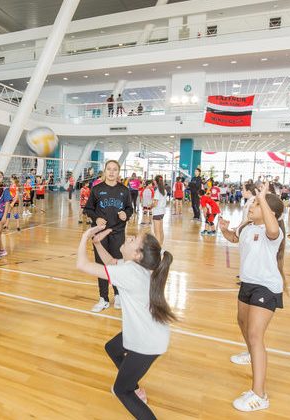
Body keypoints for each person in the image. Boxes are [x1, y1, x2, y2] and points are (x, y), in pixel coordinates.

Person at [75, 225, 175, 420]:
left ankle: (131, 389)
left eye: (133, 239)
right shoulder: (136, 267)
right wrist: (97, 243)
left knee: (122, 391)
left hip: (147, 342)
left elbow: (81, 265)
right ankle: (135, 387)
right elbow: (111, 263)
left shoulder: (131, 272)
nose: (129, 237)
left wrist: (85, 237)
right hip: (150, 333)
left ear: (138, 254)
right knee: (112, 348)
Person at [218, 182, 286, 412]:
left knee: (256, 334)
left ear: (270, 213)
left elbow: (273, 229)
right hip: (247, 283)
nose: (251, 206)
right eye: (254, 203)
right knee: (242, 323)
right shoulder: (247, 227)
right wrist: (224, 229)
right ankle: (250, 353)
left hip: (266, 288)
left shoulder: (273, 233)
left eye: (256, 205)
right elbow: (234, 239)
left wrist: (264, 198)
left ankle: (260, 395)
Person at [83, 160, 133, 312]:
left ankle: (118, 295)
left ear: (119, 172)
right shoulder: (97, 189)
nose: (111, 172)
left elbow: (130, 209)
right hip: (100, 234)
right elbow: (88, 209)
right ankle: (103, 298)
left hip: (117, 233)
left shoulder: (124, 190)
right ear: (105, 171)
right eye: (109, 169)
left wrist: (126, 214)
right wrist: (95, 218)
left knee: (118, 264)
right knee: (101, 265)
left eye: (115, 169)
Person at [151, 176, 167, 245]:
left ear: (156, 181)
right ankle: (160, 246)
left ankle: (158, 249)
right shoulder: (164, 190)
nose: (153, 181)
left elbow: (155, 203)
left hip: (157, 212)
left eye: (154, 180)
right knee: (161, 230)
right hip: (162, 212)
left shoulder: (157, 191)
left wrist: (150, 205)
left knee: (156, 232)